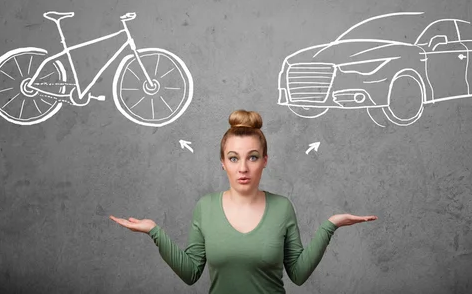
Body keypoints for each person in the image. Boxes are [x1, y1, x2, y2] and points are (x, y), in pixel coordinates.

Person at [110, 110, 377, 294]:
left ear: (265, 161)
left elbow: (297, 274)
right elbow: (191, 273)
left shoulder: (282, 207)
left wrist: (330, 226)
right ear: (223, 163)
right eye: (234, 158)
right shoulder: (206, 207)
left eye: (252, 157)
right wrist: (154, 231)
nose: (243, 168)